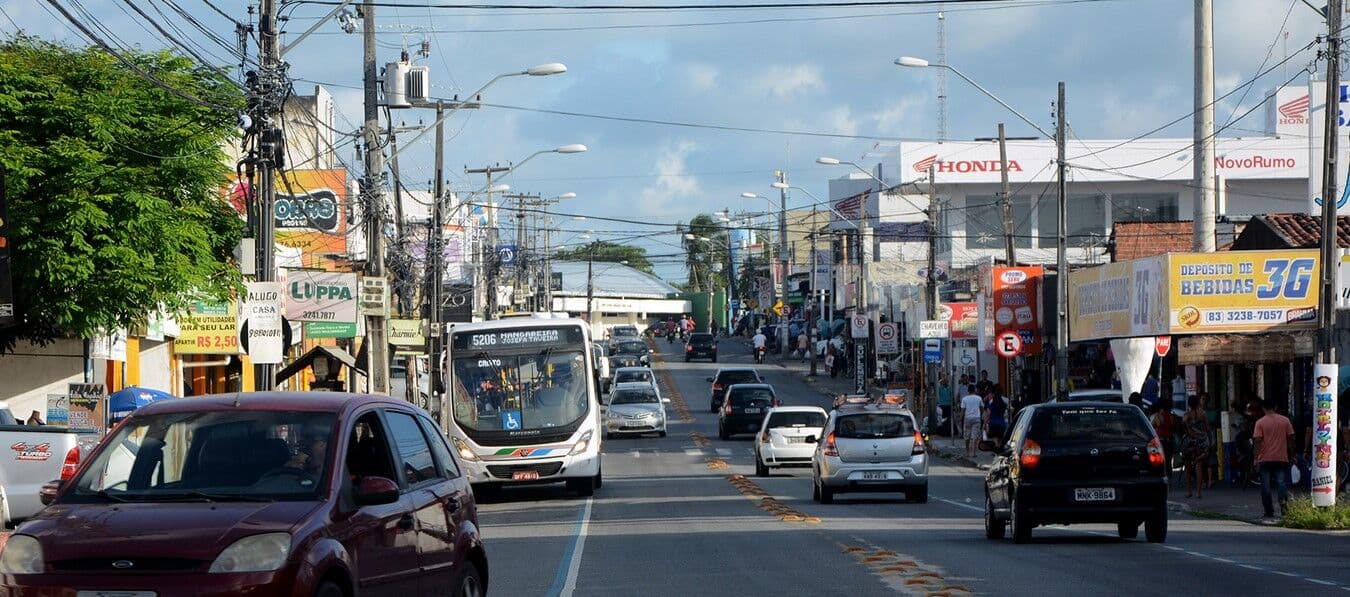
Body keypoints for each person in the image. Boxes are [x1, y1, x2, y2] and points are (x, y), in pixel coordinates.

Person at [1253, 398, 1295, 520]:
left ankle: (1268, 511)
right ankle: (1284, 510)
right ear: (1275, 407)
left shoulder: (1260, 423)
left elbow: (1257, 441)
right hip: (1281, 458)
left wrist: (1256, 458)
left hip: (1264, 459)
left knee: (1265, 487)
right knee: (1281, 484)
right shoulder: (1285, 420)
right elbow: (1291, 439)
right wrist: (1292, 455)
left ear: (1263, 408)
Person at [1181, 395, 1212, 499]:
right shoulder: (1202, 414)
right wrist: (1210, 441)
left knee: (1188, 467)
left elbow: (1183, 426)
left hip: (1189, 443)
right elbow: (1208, 429)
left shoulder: (1186, 415)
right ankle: (1198, 492)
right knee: (1199, 466)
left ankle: (1189, 491)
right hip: (1201, 442)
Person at [1150, 398, 1178, 478]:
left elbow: (1152, 428)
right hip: (1170, 441)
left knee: (1161, 460)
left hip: (1160, 441)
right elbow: (1175, 429)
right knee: (1168, 460)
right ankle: (1169, 477)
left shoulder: (1157, 417)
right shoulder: (1172, 416)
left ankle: (1162, 476)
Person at [959, 385, 985, 458]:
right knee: (974, 436)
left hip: (967, 418)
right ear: (975, 390)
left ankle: (967, 452)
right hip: (977, 418)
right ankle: (973, 452)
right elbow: (982, 408)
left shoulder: (964, 399)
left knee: (967, 436)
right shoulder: (978, 398)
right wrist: (983, 416)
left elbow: (963, 410)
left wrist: (960, 419)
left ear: (968, 391)